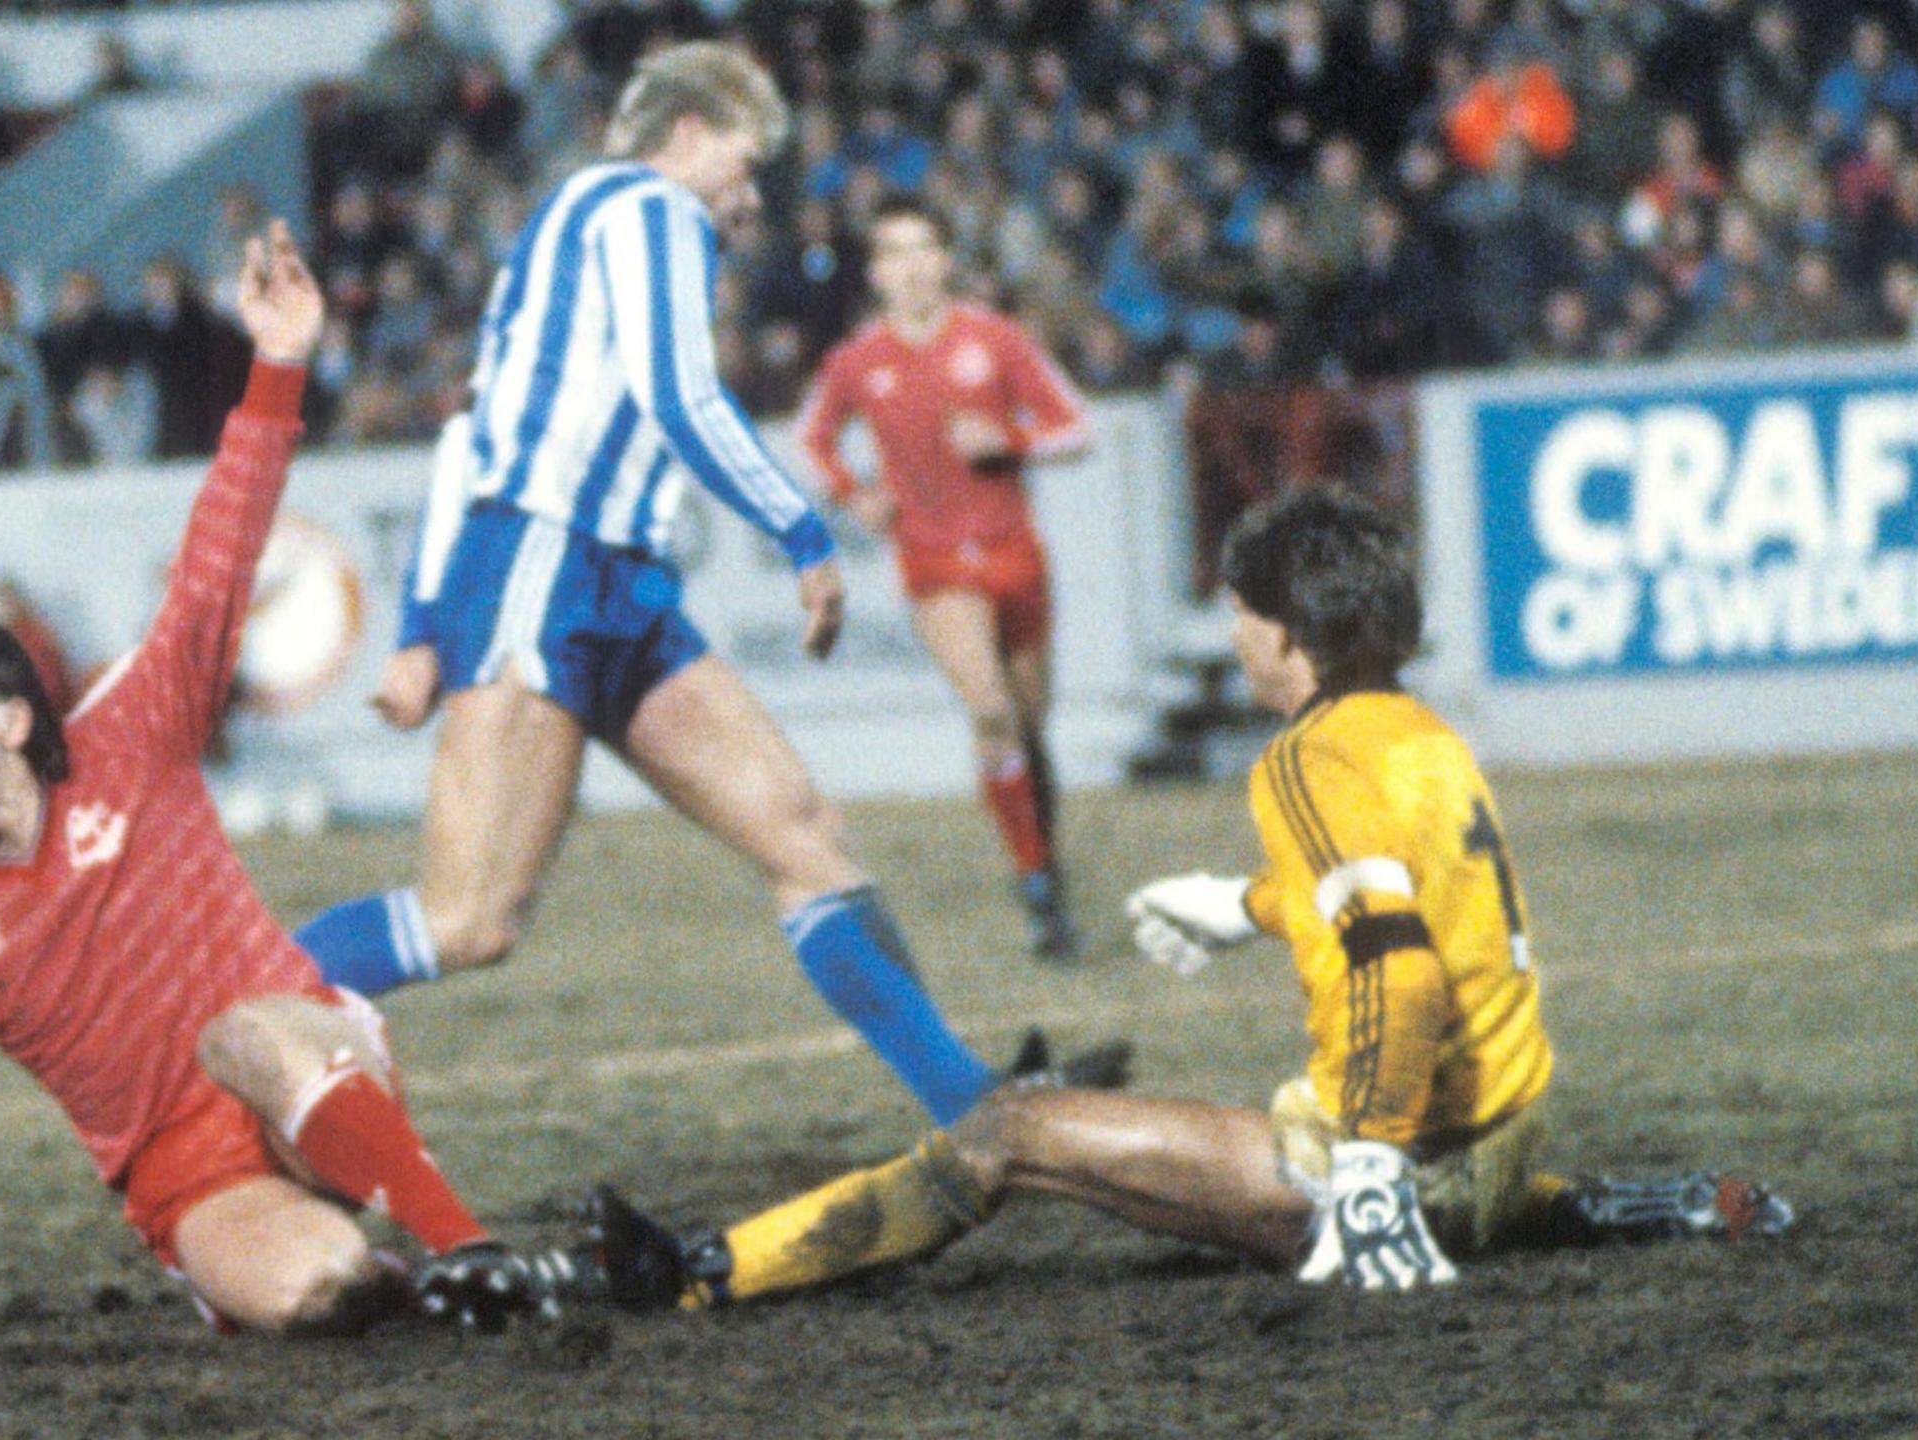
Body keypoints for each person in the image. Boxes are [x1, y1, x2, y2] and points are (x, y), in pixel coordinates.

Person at [548, 489, 1792, 1310]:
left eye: (1242, 612)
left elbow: (1395, 965)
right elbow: (1417, 909)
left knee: (1011, 1133)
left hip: (1398, 1165)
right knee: (1425, 1168)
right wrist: (1245, 904)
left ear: (1285, 630)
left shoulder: (1303, 759)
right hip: (1499, 1144)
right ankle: (1637, 1203)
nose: (1234, 633)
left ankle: (702, 1273)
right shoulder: (1422, 735)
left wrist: (1362, 1167)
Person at [0, 224, 543, 1353]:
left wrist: (278, 363)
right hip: (181, 1179)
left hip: (300, 1051)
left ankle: (466, 1247)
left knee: (244, 1030)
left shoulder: (131, 731)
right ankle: (348, 1263)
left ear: (15, 721)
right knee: (323, 1292)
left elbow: (218, 557)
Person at [289, 42, 1008, 1129]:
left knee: (802, 831)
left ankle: (978, 1111)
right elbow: (682, 395)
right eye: (744, 161)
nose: (752, 194)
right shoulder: (646, 207)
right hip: (546, 563)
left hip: (612, 580)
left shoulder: (582, 230)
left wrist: (425, 624)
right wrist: (802, 530)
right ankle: (216, 1006)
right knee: (471, 919)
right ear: (682, 135)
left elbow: (465, 435)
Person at [794, 194, 1092, 958]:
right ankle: (1032, 884)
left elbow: (1076, 428)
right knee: (990, 709)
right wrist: (854, 494)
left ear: (947, 259)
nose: (911, 266)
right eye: (893, 252)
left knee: (1030, 728)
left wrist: (1011, 441)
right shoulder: (858, 361)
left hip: (1015, 554)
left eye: (924, 248)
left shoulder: (995, 339)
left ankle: (1044, 863)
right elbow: (810, 440)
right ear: (876, 272)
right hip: (932, 561)